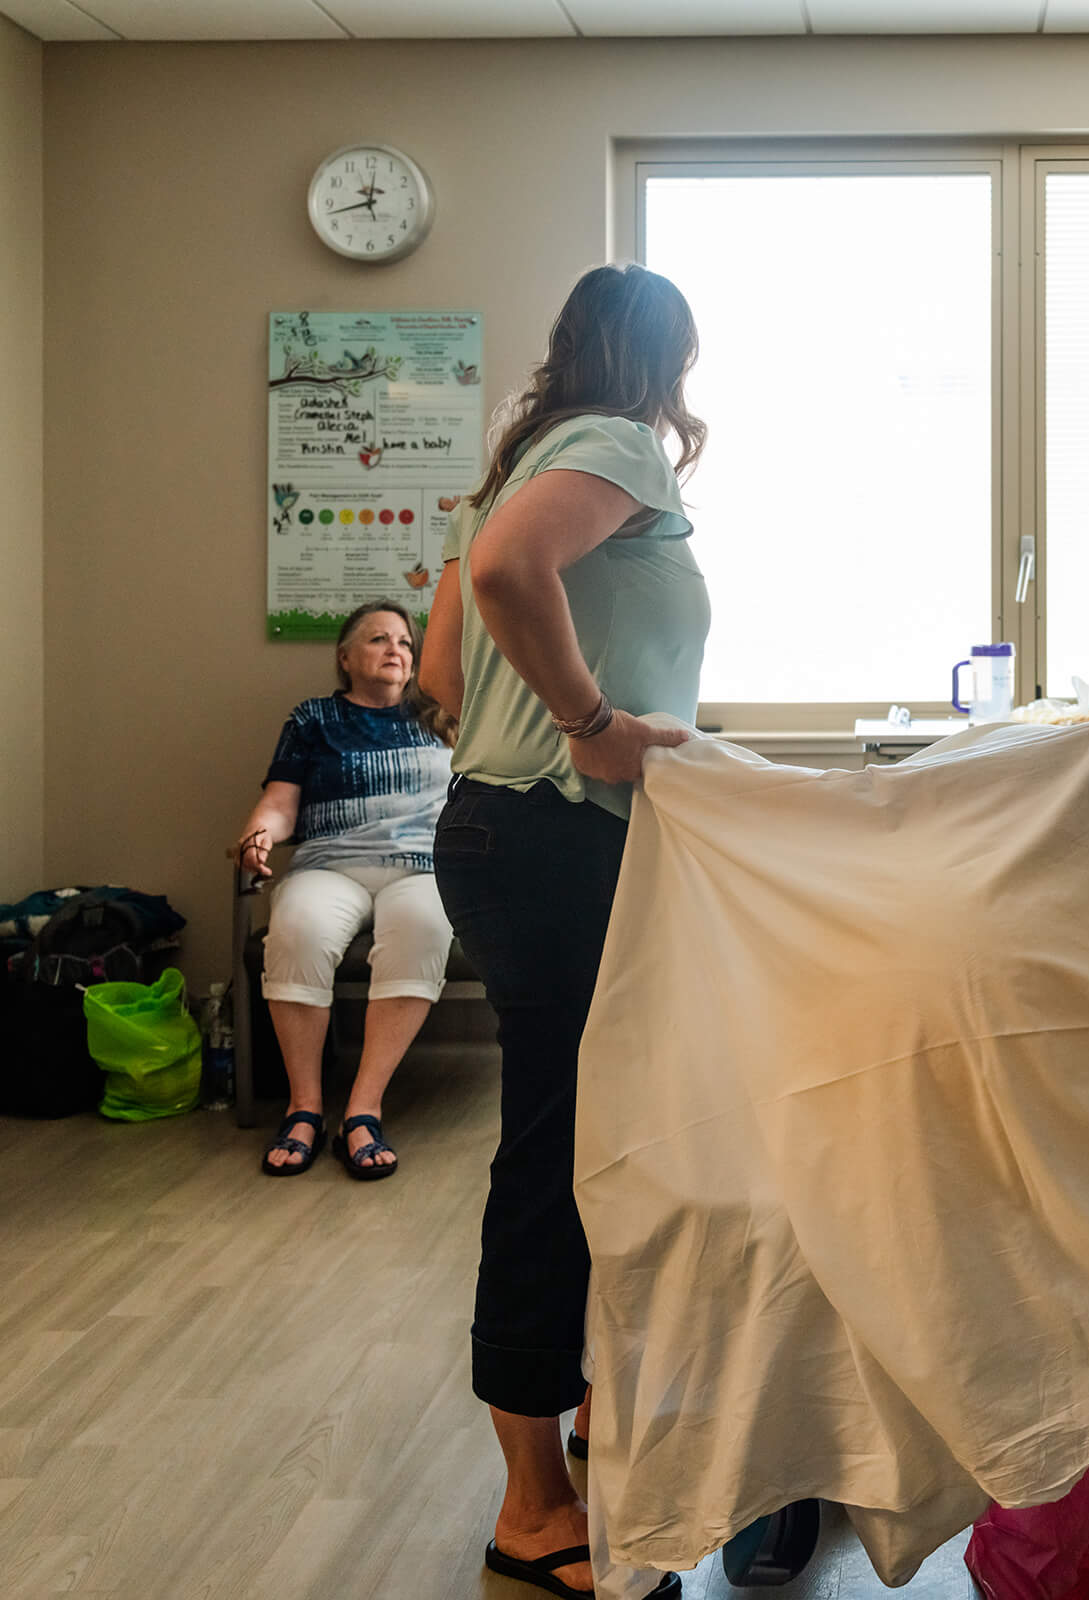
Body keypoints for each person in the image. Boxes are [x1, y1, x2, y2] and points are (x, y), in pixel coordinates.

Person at [419, 262, 705, 1600]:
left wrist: (560, 720)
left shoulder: (524, 460)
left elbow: (434, 675)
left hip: (497, 834)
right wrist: (592, 729)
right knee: (553, 1163)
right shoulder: (616, 446)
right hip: (551, 843)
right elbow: (501, 572)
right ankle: (534, 1511)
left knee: (582, 1147)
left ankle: (579, 1443)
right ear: (662, 360)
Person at [235, 600, 455, 1180]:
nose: (396, 651)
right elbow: (281, 803)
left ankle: (363, 1108)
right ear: (345, 657)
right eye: (380, 640)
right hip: (330, 863)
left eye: (406, 643)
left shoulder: (443, 715)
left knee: (426, 926)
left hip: (421, 866)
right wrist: (259, 835)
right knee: (297, 928)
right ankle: (304, 1106)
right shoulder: (313, 720)